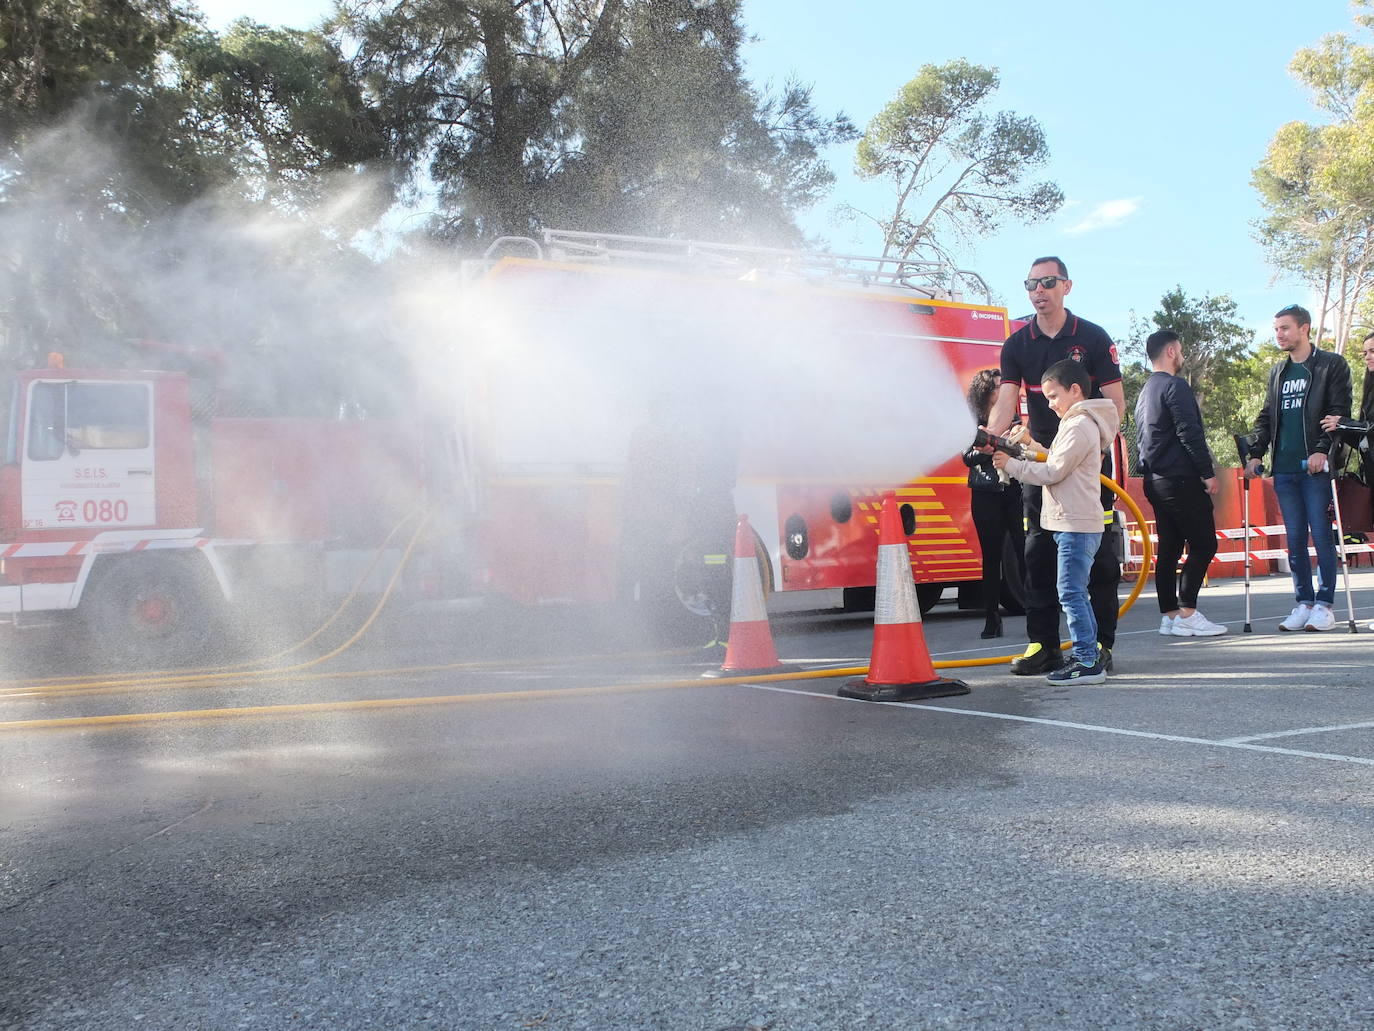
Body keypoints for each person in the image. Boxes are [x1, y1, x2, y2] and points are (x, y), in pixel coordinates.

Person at [984, 257, 1126, 675]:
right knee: (1038, 554)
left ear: (1066, 285)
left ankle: (1099, 646)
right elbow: (1007, 404)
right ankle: (1043, 644)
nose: (1038, 291)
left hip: (1085, 463)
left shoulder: (1094, 338)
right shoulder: (1017, 345)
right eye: (1031, 284)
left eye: (1047, 282)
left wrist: (1093, 445)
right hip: (1037, 463)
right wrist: (991, 441)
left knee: (1095, 560)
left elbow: (1115, 404)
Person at [991, 359, 1120, 684]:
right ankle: (1088, 657)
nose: (1048, 404)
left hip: (1075, 524)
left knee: (1071, 593)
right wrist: (1029, 447)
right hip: (1072, 523)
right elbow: (1056, 459)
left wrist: (1013, 465)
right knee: (1075, 592)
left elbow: (1054, 471)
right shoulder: (1077, 424)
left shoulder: (1078, 426)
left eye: (1053, 396)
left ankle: (1087, 662)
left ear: (1075, 390)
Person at [1242, 304, 1352, 632]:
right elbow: (1267, 417)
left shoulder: (1331, 364)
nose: (1279, 334)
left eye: (1285, 328)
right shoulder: (1278, 372)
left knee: (1321, 534)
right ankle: (1303, 602)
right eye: (1276, 328)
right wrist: (1256, 452)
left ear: (1304, 328)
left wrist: (1323, 450)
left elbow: (1338, 411)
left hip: (1315, 469)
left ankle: (1325, 605)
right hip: (1285, 468)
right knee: (1293, 539)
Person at [1134, 329, 1227, 637]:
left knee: (1171, 547)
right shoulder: (1176, 386)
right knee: (1204, 542)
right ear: (1172, 351)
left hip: (1154, 479)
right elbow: (1189, 432)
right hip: (1179, 477)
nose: (1183, 356)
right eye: (1182, 350)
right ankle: (1187, 612)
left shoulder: (1145, 392)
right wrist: (1207, 472)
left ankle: (1170, 615)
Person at [961, 369, 1025, 639]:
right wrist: (982, 451)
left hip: (1013, 491)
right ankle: (991, 618)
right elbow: (966, 457)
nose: (1003, 390)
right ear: (986, 391)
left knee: (1024, 553)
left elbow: (1022, 449)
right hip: (985, 494)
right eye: (998, 386)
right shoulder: (970, 421)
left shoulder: (1013, 418)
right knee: (991, 558)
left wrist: (1006, 443)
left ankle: (1037, 613)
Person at [1321, 330, 1374, 630]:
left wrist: (1345, 424)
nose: (1367, 356)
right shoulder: (1369, 388)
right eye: (1365, 351)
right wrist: (1342, 430)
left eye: (1372, 351)